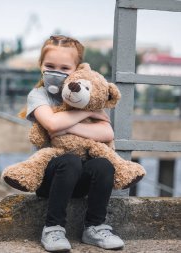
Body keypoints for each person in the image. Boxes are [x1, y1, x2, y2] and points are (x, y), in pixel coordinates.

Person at [23, 35, 125, 252]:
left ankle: (95, 227)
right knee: (68, 161)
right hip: (49, 177)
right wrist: (85, 112)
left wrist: (67, 126)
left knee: (103, 165)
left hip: (80, 179)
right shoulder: (38, 96)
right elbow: (51, 123)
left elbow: (107, 131)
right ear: (41, 65)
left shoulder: (87, 93)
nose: (56, 71)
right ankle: (53, 228)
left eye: (64, 67)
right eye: (49, 65)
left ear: (77, 69)